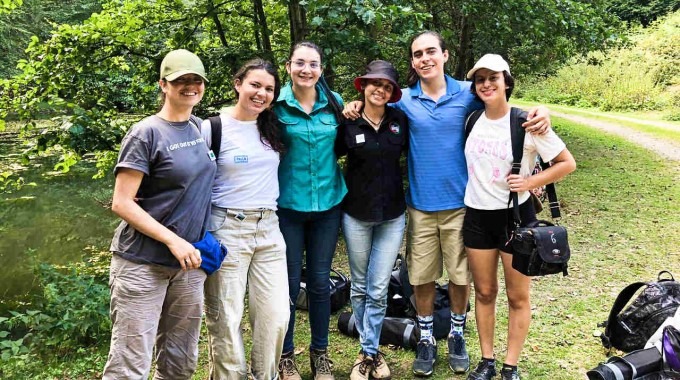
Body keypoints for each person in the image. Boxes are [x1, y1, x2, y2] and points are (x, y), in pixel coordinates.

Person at [343, 31, 552, 377]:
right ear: (412, 62)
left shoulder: (467, 94)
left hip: (462, 205)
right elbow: (373, 107)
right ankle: (426, 337)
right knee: (421, 278)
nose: (424, 58)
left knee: (460, 277)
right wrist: (353, 106)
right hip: (420, 206)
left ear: (444, 55)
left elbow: (501, 104)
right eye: (417, 54)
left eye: (430, 52)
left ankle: (456, 334)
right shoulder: (403, 100)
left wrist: (541, 110)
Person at [102, 49, 215, 379]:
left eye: (196, 80)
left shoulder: (198, 127)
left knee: (180, 361)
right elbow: (122, 202)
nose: (190, 86)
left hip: (189, 265)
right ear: (164, 85)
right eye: (181, 80)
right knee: (130, 364)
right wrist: (173, 240)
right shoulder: (146, 133)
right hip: (141, 264)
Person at [463, 54, 575, 380]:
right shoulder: (471, 120)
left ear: (506, 82)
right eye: (480, 79)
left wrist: (530, 182)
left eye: (493, 78)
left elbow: (566, 163)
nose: (486, 84)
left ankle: (510, 366)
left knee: (517, 295)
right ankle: (487, 361)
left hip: (516, 217)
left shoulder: (526, 122)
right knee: (484, 293)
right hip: (477, 216)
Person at [202, 58, 289, 380]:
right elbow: (186, 174)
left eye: (269, 89)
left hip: (268, 229)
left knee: (276, 316)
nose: (261, 93)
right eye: (255, 85)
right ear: (238, 83)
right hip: (226, 229)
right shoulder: (211, 127)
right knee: (226, 319)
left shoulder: (272, 127)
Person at [274, 41, 346, 380]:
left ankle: (321, 355)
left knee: (319, 283)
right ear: (288, 66)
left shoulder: (335, 104)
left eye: (313, 64)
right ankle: (285, 356)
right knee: (288, 284)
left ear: (321, 68)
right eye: (300, 63)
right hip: (287, 208)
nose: (306, 70)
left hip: (328, 207)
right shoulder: (273, 107)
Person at [334, 60, 409, 380]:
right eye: (374, 83)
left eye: (387, 85)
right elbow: (330, 157)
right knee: (360, 286)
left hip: (392, 216)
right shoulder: (347, 122)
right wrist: (346, 111)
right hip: (356, 216)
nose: (380, 89)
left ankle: (367, 353)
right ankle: (371, 352)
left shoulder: (400, 121)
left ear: (392, 92)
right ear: (363, 86)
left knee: (378, 288)